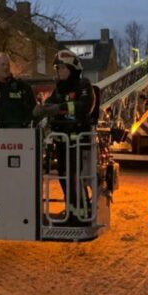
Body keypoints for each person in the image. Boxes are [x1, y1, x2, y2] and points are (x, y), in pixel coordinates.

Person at [36, 49, 95, 225]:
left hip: (77, 141)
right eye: (58, 68)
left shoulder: (83, 84)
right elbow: (49, 105)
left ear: (73, 69)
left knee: (75, 176)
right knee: (63, 174)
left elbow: (83, 106)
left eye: (63, 68)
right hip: (61, 140)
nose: (60, 72)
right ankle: (72, 210)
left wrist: (59, 107)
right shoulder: (59, 89)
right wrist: (40, 110)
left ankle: (82, 213)